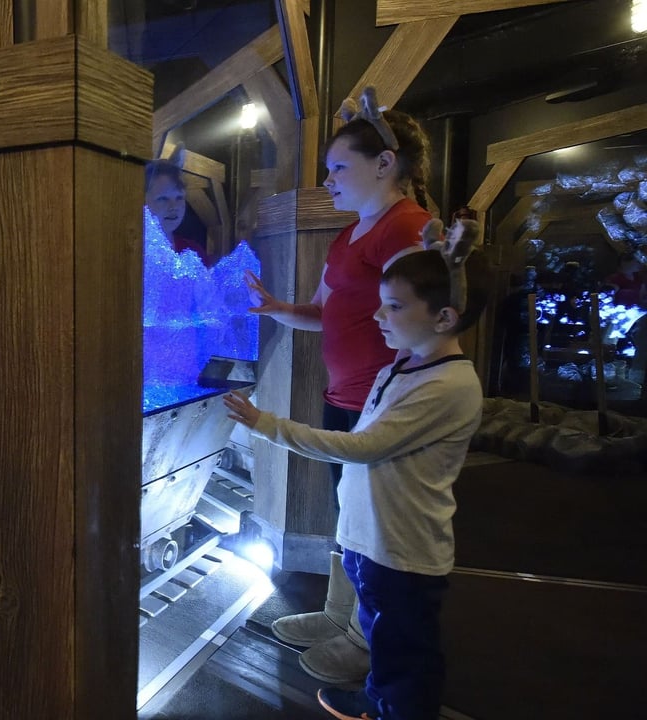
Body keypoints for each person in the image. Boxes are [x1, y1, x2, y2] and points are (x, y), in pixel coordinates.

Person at [223, 229, 488, 720]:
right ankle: (376, 698)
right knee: (381, 632)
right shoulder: (401, 367)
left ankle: (399, 709)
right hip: (373, 540)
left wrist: (268, 426)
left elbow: (364, 447)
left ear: (444, 317)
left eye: (393, 307)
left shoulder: (448, 385)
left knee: (404, 649)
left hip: (403, 550)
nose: (377, 315)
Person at [242, 88, 434, 683]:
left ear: (385, 164)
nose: (328, 181)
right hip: (343, 397)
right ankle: (339, 615)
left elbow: (427, 320)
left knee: (378, 526)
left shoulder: (410, 228)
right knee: (348, 515)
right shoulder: (349, 235)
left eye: (337, 168)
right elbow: (324, 312)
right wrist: (274, 307)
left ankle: (365, 641)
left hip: (386, 404)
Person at [145, 148, 212, 265]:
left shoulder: (194, 252)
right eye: (163, 198)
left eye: (179, 198)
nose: (173, 206)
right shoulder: (129, 252)